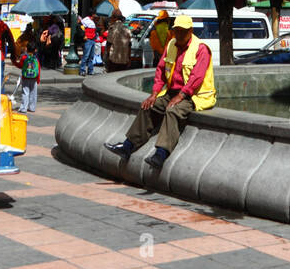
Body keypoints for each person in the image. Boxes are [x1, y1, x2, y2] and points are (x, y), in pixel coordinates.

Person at [105, 14, 216, 170]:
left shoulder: (201, 48)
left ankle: (161, 154)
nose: (179, 34)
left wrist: (181, 96)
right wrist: (154, 93)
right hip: (172, 91)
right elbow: (161, 70)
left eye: (183, 31)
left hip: (195, 96)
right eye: (177, 31)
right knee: (148, 106)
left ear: (190, 31)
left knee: (173, 111)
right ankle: (127, 146)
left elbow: (196, 77)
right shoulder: (171, 44)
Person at [14, 42, 41, 115]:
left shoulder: (24, 57)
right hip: (34, 78)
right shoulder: (35, 58)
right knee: (33, 93)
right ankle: (32, 107)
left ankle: (24, 108)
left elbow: (20, 65)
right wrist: (38, 79)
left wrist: (14, 62)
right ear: (35, 50)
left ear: (26, 49)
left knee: (25, 92)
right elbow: (38, 68)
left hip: (25, 77)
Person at [78, 12, 98, 76]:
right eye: (95, 14)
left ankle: (90, 70)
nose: (96, 15)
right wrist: (84, 35)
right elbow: (80, 27)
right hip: (88, 40)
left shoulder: (93, 21)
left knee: (91, 56)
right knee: (86, 56)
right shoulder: (86, 20)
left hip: (92, 40)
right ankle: (82, 70)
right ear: (93, 14)